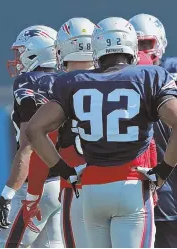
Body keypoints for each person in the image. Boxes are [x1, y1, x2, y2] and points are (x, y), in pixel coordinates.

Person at [24, 17, 177, 247]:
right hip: (132, 186)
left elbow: (35, 130)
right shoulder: (150, 76)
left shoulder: (74, 82)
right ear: (131, 47)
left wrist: (65, 171)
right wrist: (163, 170)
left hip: (91, 189)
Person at [25, 17, 95, 248]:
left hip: (76, 184)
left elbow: (41, 137)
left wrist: (34, 194)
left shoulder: (60, 84)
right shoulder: (120, 81)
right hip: (120, 179)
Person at [0, 25, 64, 248]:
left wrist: (7, 193)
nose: (18, 58)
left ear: (36, 52)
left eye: (21, 51)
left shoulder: (29, 82)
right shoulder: (68, 82)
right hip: (63, 184)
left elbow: (29, 145)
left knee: (9, 245)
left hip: (35, 185)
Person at [130, 13, 177, 248]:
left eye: (145, 44)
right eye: (135, 44)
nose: (140, 51)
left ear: (160, 42)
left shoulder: (171, 71)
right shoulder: (119, 79)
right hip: (140, 189)